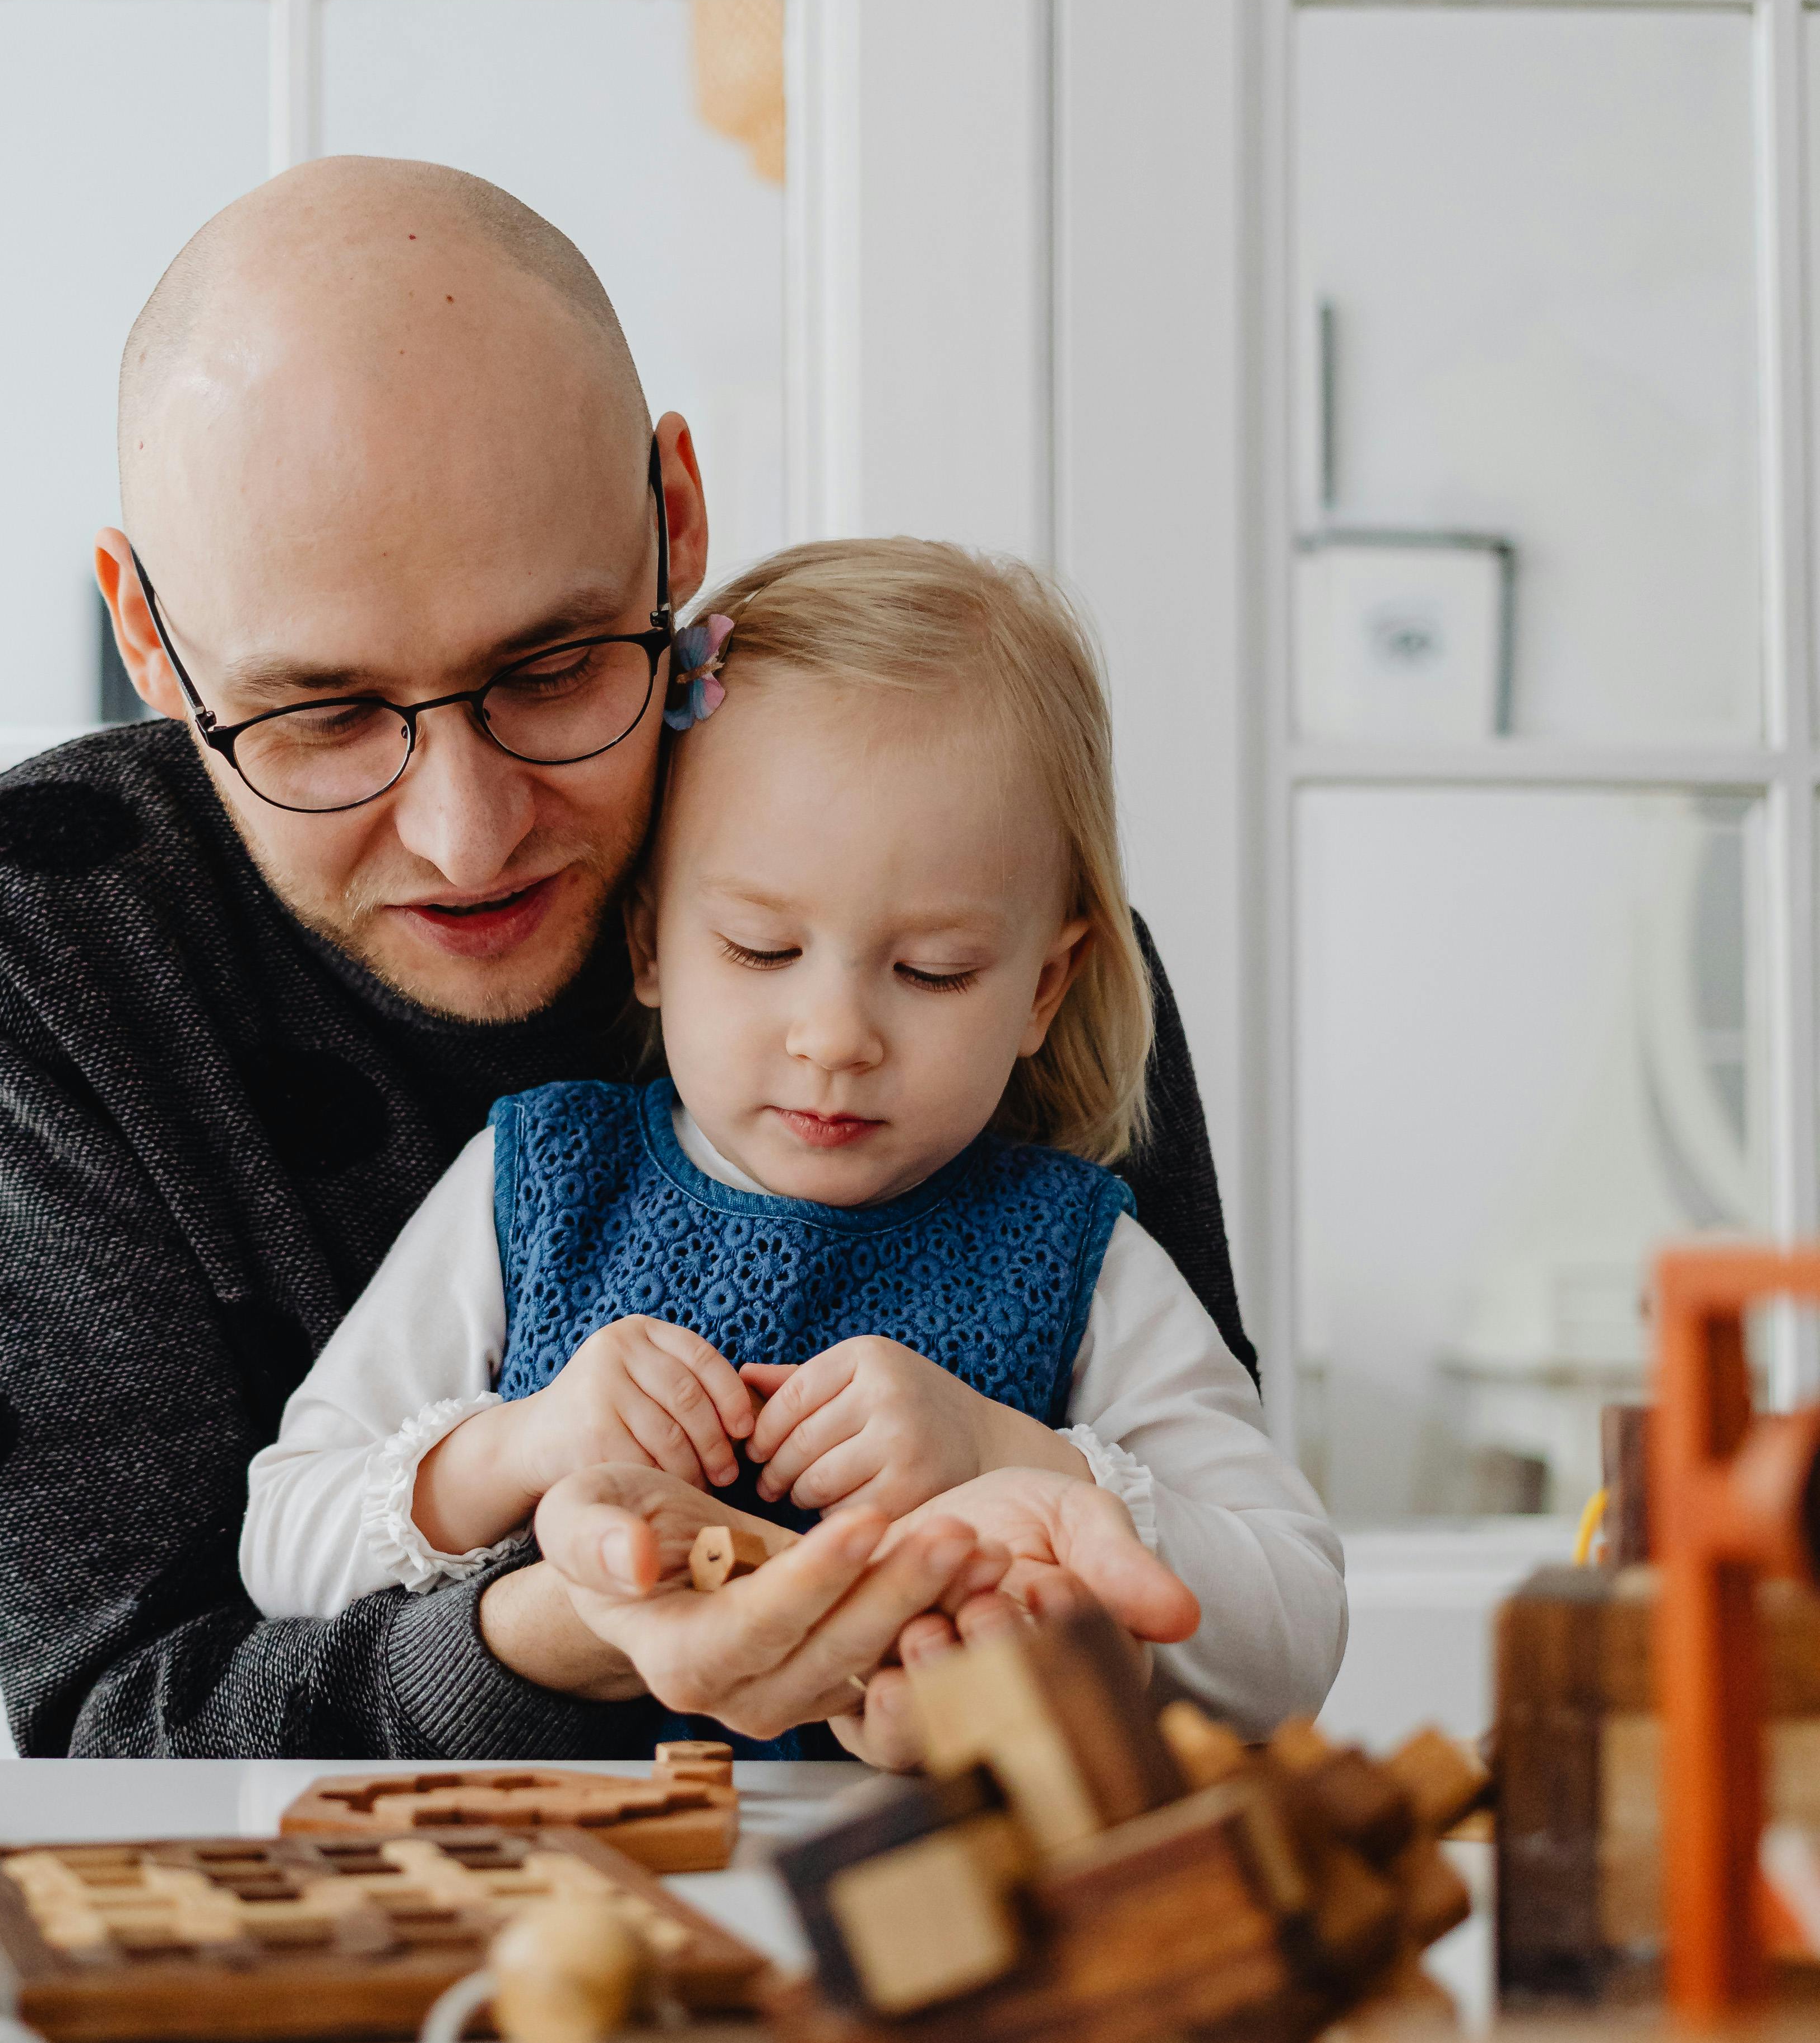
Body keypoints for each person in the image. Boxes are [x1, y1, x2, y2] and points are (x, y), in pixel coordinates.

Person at [0, 157, 1258, 1758]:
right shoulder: (46, 938)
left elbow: (1219, 1651)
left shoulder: (953, 902)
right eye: (321, 716)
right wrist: (545, 1636)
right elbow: (121, 1731)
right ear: (150, 642)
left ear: (673, 523)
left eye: (548, 670)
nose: (467, 837)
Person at [240, 538, 1342, 1756]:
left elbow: (1291, 1637)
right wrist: (523, 1445)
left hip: (932, 1899)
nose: (834, 1039)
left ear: (1043, 987)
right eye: (762, 951)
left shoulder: (1072, 1250)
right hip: (572, 1878)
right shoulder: (541, 1183)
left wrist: (1008, 1453)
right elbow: (283, 1543)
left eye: (933, 971)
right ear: (651, 945)